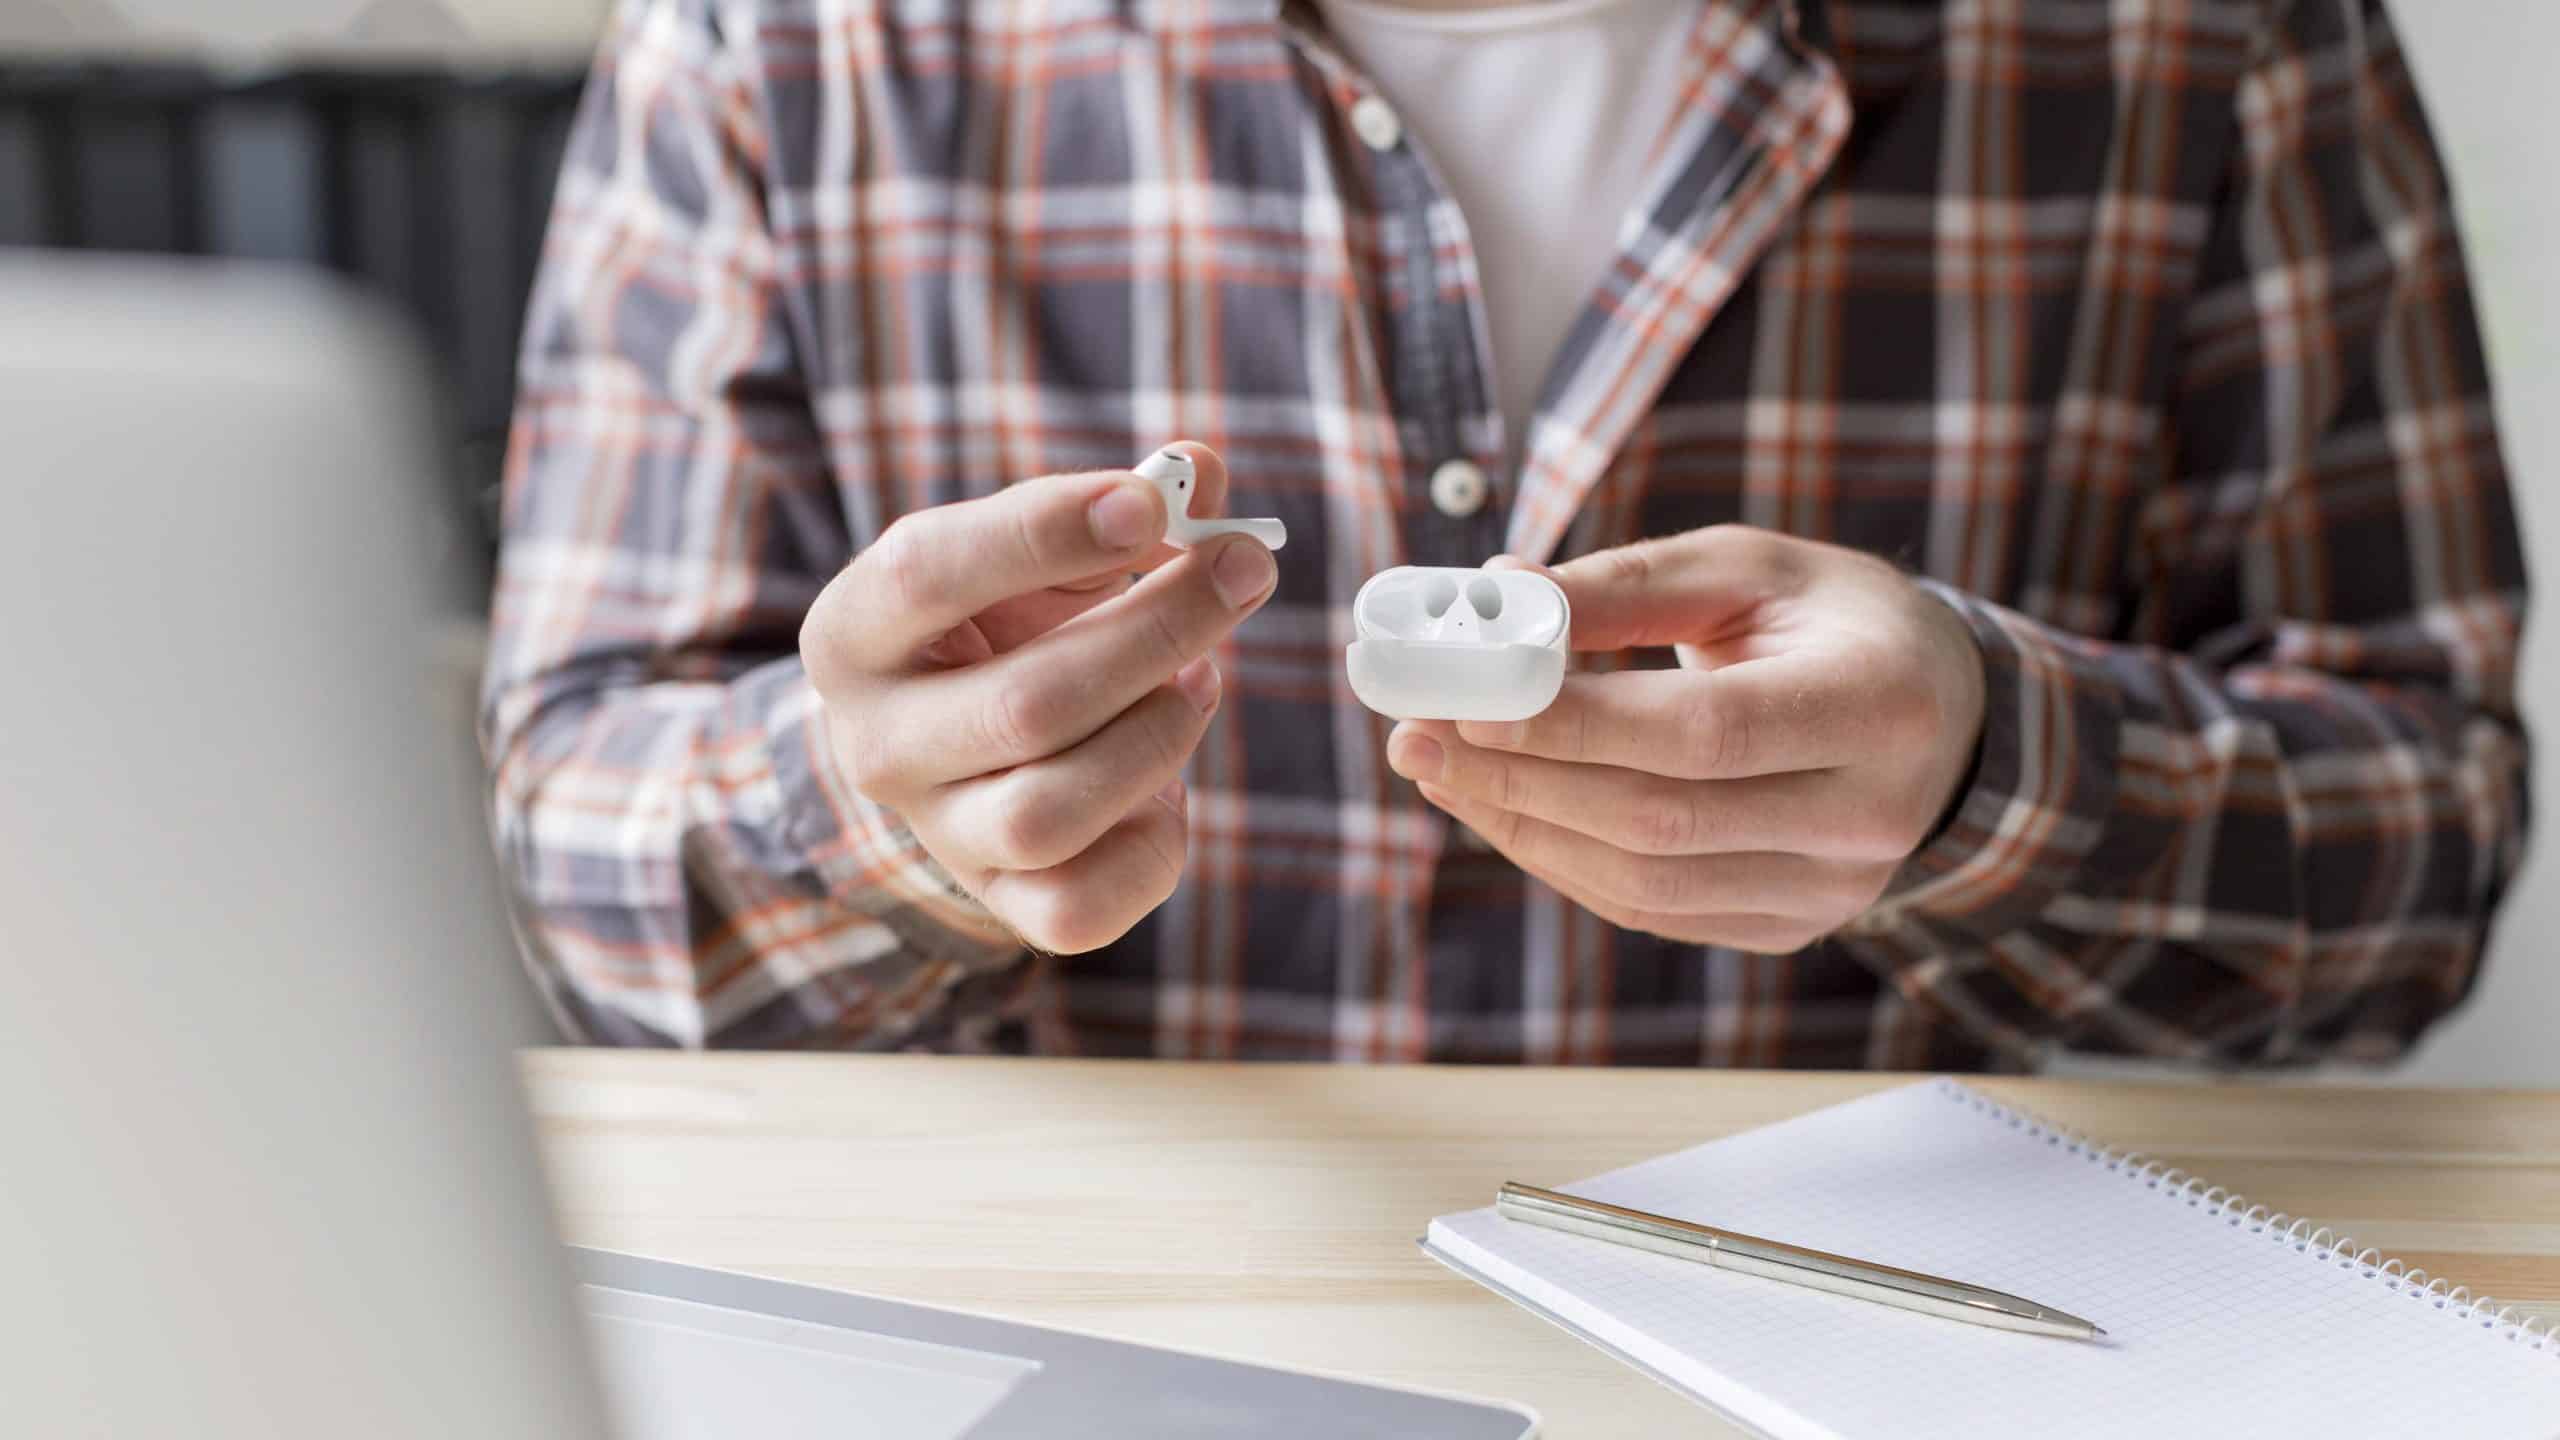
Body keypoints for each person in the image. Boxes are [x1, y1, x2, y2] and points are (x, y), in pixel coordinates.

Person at [483, 0, 2527, 1068]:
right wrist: (864, 812)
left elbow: (2419, 863)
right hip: (1097, 1316)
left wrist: (1995, 777)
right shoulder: (781, 35)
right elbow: (568, 868)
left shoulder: (2204, 34)